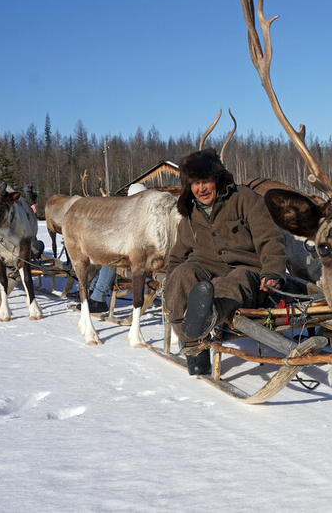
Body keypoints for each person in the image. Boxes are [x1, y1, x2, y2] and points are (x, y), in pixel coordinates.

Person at [163, 149, 287, 375]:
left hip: (246, 270)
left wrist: (272, 272)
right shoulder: (190, 214)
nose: (201, 189)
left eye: (206, 181)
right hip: (206, 269)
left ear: (217, 179)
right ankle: (193, 347)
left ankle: (207, 316)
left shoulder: (245, 199)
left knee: (231, 282)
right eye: (195, 183)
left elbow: (270, 238)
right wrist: (170, 281)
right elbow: (178, 255)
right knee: (182, 274)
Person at [67, 183, 149, 313]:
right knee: (101, 255)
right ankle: (90, 291)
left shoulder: (146, 218)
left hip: (136, 260)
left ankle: (99, 298)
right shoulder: (133, 215)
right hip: (128, 254)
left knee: (110, 261)